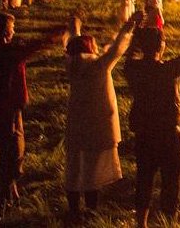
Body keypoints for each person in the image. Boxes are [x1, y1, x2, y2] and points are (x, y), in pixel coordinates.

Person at [124, 6, 180, 228]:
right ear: (161, 47)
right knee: (170, 182)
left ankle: (141, 223)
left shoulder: (133, 70)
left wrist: (136, 26)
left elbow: (131, 51)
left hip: (144, 134)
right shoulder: (167, 70)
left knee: (144, 179)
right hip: (168, 135)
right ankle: (167, 221)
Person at [0, 12, 66, 210]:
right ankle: (5, 201)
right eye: (12, 27)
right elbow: (34, 47)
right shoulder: (7, 52)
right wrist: (55, 34)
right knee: (12, 155)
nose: (15, 31)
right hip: (7, 111)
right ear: (5, 31)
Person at [63, 12, 140, 223]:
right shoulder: (99, 66)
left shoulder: (71, 65)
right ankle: (90, 210)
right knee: (92, 170)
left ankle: (73, 209)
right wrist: (129, 26)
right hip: (97, 124)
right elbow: (118, 48)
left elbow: (73, 42)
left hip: (76, 123)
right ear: (91, 49)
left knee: (74, 166)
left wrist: (74, 25)